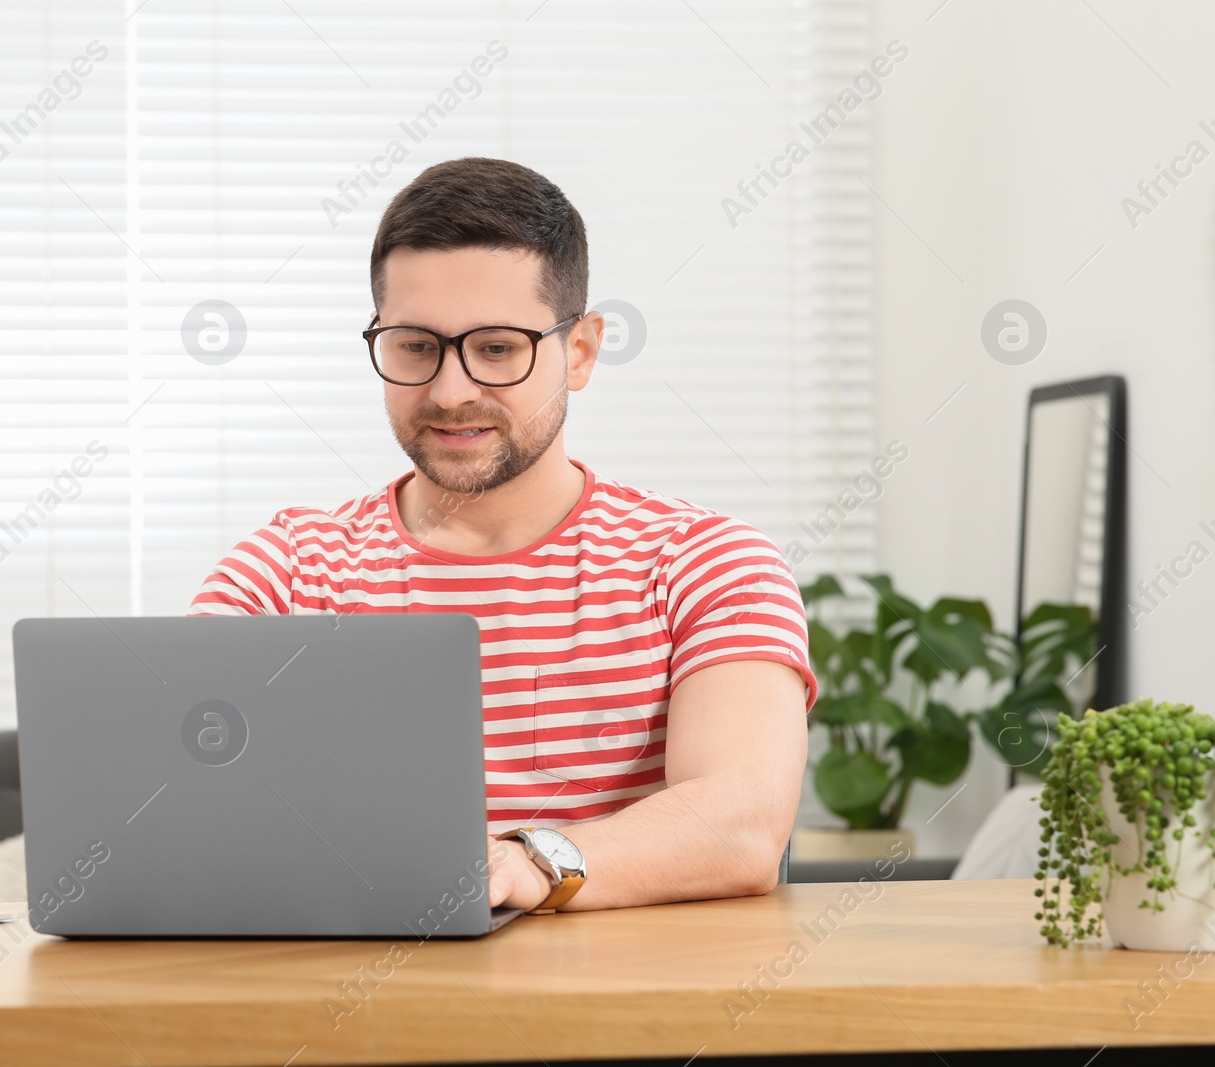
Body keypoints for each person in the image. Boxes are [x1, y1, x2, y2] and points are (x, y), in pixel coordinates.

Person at [191, 157, 815, 913]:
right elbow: (180, 802)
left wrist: (530, 865)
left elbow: (741, 823)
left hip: (631, 1023)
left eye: (496, 348)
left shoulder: (708, 565)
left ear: (579, 351)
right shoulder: (286, 572)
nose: (451, 392)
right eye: (416, 345)